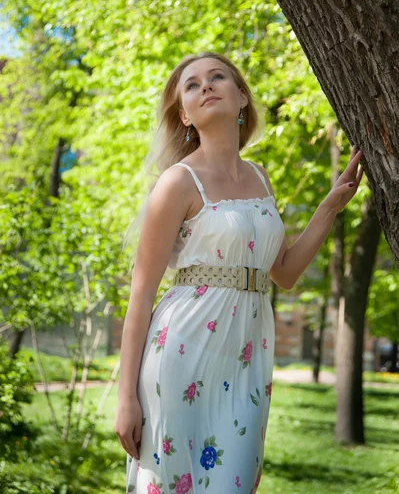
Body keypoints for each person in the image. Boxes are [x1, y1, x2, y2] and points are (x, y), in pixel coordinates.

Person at [114, 52, 363, 493]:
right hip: (182, 354)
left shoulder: (261, 177)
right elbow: (141, 294)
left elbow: (282, 272)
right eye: (191, 85)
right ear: (184, 115)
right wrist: (125, 398)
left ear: (242, 97)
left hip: (247, 356)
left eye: (217, 78)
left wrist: (328, 208)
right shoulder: (177, 181)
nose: (205, 86)